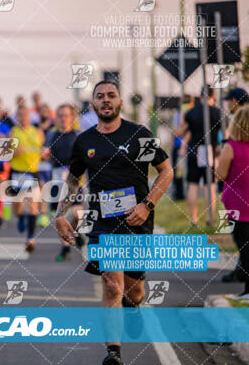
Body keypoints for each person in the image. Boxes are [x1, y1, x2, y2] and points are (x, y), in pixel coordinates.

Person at [54, 80, 173, 365]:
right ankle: (114, 353)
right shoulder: (85, 142)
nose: (106, 100)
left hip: (137, 221)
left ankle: (133, 308)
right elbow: (73, 180)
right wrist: (60, 214)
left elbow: (165, 171)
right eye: (100, 97)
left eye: (111, 96)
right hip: (102, 223)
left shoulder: (138, 134)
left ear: (120, 102)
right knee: (111, 286)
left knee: (134, 291)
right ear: (93, 105)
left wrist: (147, 205)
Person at [42, 103, 83, 261]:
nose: (63, 118)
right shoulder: (52, 135)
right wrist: (44, 154)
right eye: (60, 115)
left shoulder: (78, 136)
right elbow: (45, 153)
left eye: (66, 115)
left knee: (77, 213)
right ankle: (65, 249)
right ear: (56, 118)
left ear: (72, 118)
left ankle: (76, 232)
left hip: (74, 181)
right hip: (57, 181)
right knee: (60, 216)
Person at [216, 106, 249, 298]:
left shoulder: (231, 147)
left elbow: (221, 174)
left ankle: (247, 290)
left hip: (237, 207)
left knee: (244, 247)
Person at [176, 88, 221, 226]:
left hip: (194, 149)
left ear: (200, 96)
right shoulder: (217, 112)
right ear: (212, 95)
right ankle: (210, 219)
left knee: (193, 184)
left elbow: (180, 132)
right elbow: (224, 134)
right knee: (210, 185)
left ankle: (194, 219)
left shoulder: (191, 112)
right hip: (210, 150)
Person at [9, 106, 44, 252]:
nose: (23, 118)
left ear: (29, 117)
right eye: (20, 115)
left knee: (32, 204)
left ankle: (30, 238)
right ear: (16, 118)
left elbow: (41, 150)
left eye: (25, 115)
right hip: (17, 172)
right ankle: (20, 218)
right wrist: (15, 152)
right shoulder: (12, 132)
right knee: (17, 206)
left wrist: (45, 154)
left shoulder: (38, 133)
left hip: (32, 173)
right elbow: (5, 155)